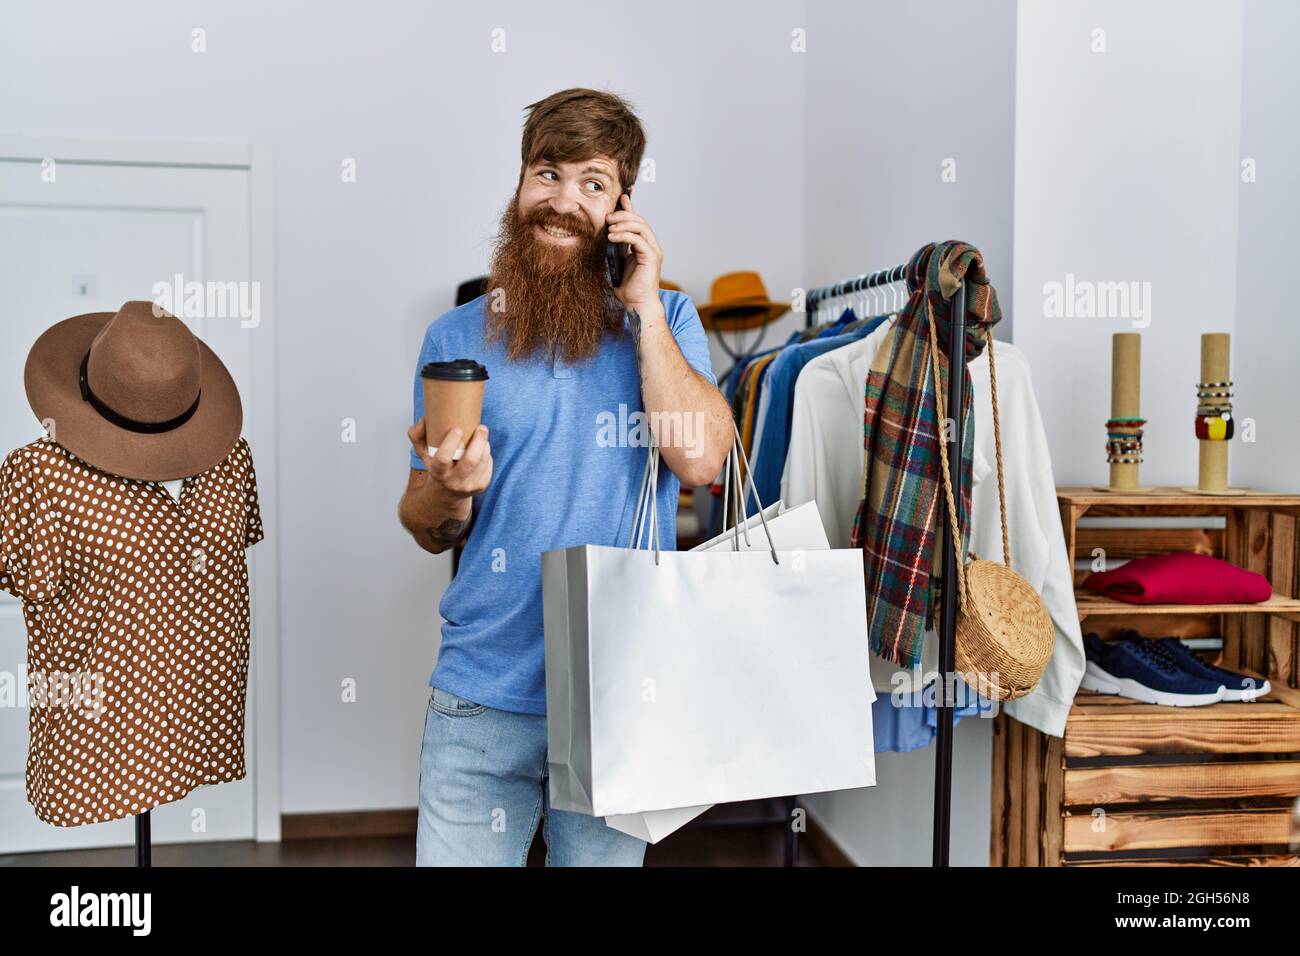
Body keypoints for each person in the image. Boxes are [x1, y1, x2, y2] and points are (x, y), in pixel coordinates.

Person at [399, 87, 732, 866]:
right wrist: (449, 489)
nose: (563, 200)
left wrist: (644, 306)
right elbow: (424, 524)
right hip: (480, 696)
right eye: (547, 173)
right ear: (519, 185)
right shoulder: (452, 338)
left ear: (623, 206)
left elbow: (703, 460)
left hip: (618, 691)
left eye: (593, 182)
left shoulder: (667, 322)